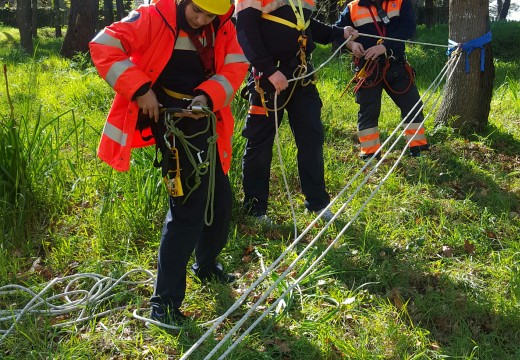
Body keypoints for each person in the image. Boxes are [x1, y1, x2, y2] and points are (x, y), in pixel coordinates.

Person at [89, 0, 248, 325]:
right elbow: (103, 45)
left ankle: (205, 265)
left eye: (209, 15)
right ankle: (164, 302)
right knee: (187, 208)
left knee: (219, 201)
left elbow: (235, 68)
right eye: (196, 12)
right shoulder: (152, 17)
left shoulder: (223, 26)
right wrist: (140, 89)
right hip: (173, 126)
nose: (202, 20)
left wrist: (207, 96)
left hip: (207, 122)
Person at [235, 0, 358, 224]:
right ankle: (255, 210)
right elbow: (245, 32)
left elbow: (306, 25)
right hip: (269, 78)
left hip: (302, 75)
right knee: (260, 142)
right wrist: (269, 70)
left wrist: (339, 33)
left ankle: (317, 204)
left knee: (311, 137)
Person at [335, 0, 429, 160]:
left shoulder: (400, 2)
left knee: (413, 105)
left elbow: (408, 28)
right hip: (368, 68)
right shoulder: (353, 7)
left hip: (396, 65)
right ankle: (370, 155)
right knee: (368, 111)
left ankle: (418, 150)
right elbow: (336, 34)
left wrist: (385, 46)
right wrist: (351, 45)